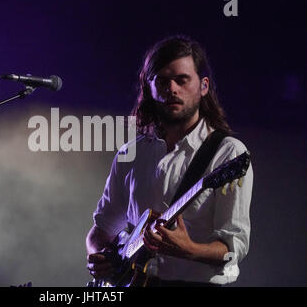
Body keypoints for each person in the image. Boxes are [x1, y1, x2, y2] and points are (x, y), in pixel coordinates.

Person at [86, 35, 253, 286]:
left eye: (182, 79)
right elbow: (100, 231)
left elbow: (233, 249)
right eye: (162, 81)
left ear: (203, 86)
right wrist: (99, 258)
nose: (172, 88)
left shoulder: (229, 154)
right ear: (149, 88)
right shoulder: (130, 153)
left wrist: (189, 249)